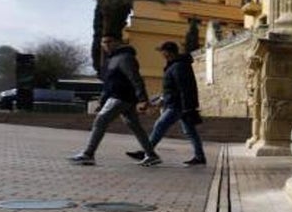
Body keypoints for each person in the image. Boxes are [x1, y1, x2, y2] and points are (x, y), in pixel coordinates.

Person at [69, 35, 161, 166]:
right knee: (135, 127)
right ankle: (152, 155)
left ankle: (88, 154)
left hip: (121, 98)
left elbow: (136, 79)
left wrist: (143, 99)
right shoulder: (111, 60)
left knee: (100, 121)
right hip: (122, 99)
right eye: (103, 42)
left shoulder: (125, 58)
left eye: (109, 41)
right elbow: (108, 84)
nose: (106, 45)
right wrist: (101, 102)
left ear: (118, 42)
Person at [126, 41, 206, 166]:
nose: (161, 54)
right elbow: (171, 88)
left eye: (162, 51)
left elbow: (184, 88)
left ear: (168, 52)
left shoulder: (178, 66)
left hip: (177, 105)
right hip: (178, 104)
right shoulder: (175, 65)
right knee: (190, 132)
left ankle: (147, 152)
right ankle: (200, 157)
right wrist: (161, 100)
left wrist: (187, 108)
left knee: (160, 125)